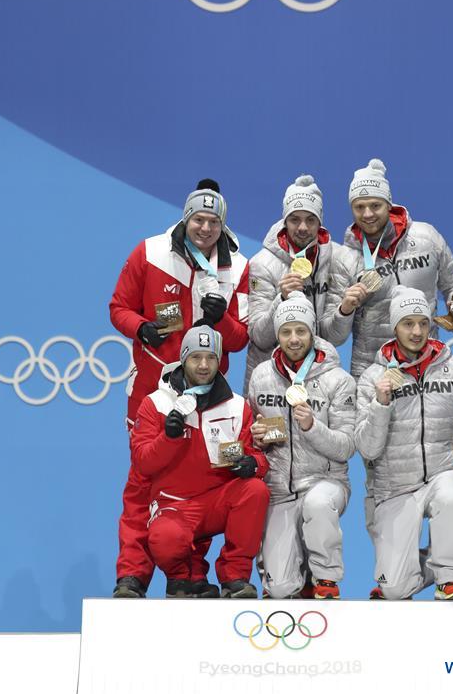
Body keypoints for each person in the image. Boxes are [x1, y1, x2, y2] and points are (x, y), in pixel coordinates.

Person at [109, 178, 250, 598]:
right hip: (154, 390)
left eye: (213, 221)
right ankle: (132, 574)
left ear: (223, 225)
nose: (205, 228)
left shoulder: (238, 268)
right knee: (142, 482)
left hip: (207, 398)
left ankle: (186, 575)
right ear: (185, 218)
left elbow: (240, 338)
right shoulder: (150, 252)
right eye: (198, 219)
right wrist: (142, 328)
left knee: (201, 484)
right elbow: (118, 308)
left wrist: (221, 318)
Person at [355, 286, 453, 601]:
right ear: (395, 327)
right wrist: (380, 403)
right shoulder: (372, 378)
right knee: (393, 589)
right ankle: (432, 563)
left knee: (450, 495)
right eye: (408, 324)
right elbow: (367, 449)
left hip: (440, 472)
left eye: (423, 323)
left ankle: (452, 579)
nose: (417, 331)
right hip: (394, 486)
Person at [131, 326, 270, 599]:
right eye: (196, 357)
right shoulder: (156, 403)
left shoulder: (237, 406)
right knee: (166, 539)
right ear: (183, 359)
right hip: (175, 503)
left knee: (255, 490)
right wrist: (168, 438)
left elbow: (257, 455)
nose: (204, 365)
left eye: (211, 357)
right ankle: (183, 579)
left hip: (217, 500)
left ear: (220, 361)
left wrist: (253, 464)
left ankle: (235, 577)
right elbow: (143, 463)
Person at [247, 292, 356, 600]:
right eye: (286, 331)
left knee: (318, 505)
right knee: (280, 588)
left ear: (312, 332)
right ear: (277, 335)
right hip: (280, 488)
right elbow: (249, 431)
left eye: (301, 331)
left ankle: (326, 580)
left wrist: (311, 426)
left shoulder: (338, 380)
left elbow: (346, 447)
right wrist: (255, 438)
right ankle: (297, 580)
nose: (293, 339)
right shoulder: (260, 376)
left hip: (326, 482)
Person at [323, 158, 453, 381]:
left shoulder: (426, 238)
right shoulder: (345, 258)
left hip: (426, 363)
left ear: (389, 203)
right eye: (359, 207)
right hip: (371, 371)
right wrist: (345, 309)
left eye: (375, 205)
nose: (367, 214)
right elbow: (332, 336)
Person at [245, 174, 333, 392]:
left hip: (315, 375)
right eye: (295, 219)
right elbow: (259, 336)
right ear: (285, 222)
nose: (302, 227)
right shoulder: (262, 264)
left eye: (310, 219)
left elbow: (333, 336)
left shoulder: (332, 259)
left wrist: (344, 311)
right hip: (268, 377)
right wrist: (280, 298)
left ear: (320, 222)